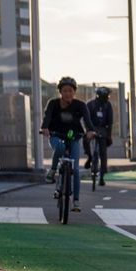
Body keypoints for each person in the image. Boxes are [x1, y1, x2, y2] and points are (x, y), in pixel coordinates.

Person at [41, 76, 95, 211]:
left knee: (75, 169)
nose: (67, 94)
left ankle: (76, 201)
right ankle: (53, 170)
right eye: (64, 91)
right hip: (55, 135)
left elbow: (88, 121)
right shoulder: (52, 103)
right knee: (59, 146)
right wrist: (45, 128)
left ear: (74, 92)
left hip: (74, 137)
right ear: (60, 92)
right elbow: (47, 117)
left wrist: (90, 131)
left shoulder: (81, 105)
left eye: (70, 91)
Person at [87, 87, 115, 185]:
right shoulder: (90, 104)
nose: (107, 98)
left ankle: (102, 176)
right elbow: (86, 119)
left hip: (103, 130)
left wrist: (109, 136)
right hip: (92, 129)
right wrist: (88, 130)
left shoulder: (108, 106)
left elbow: (110, 122)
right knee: (89, 147)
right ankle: (90, 160)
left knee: (103, 153)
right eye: (106, 96)